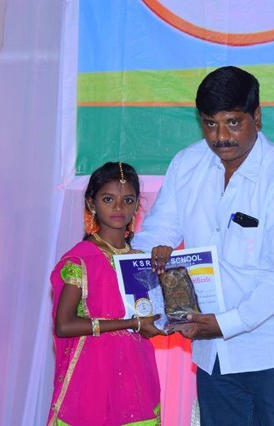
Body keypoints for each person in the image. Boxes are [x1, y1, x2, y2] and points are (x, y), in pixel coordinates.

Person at [132, 66, 274, 425]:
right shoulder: (187, 164)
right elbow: (156, 233)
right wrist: (144, 297)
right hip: (214, 349)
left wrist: (226, 324)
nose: (221, 136)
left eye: (233, 123)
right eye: (210, 124)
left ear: (257, 117)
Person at [47, 162, 164, 426]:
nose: (118, 207)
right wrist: (131, 323)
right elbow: (64, 325)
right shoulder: (81, 260)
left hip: (136, 375)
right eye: (108, 199)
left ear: (137, 206)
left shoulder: (139, 261)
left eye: (128, 200)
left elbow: (148, 317)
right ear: (92, 203)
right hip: (91, 376)